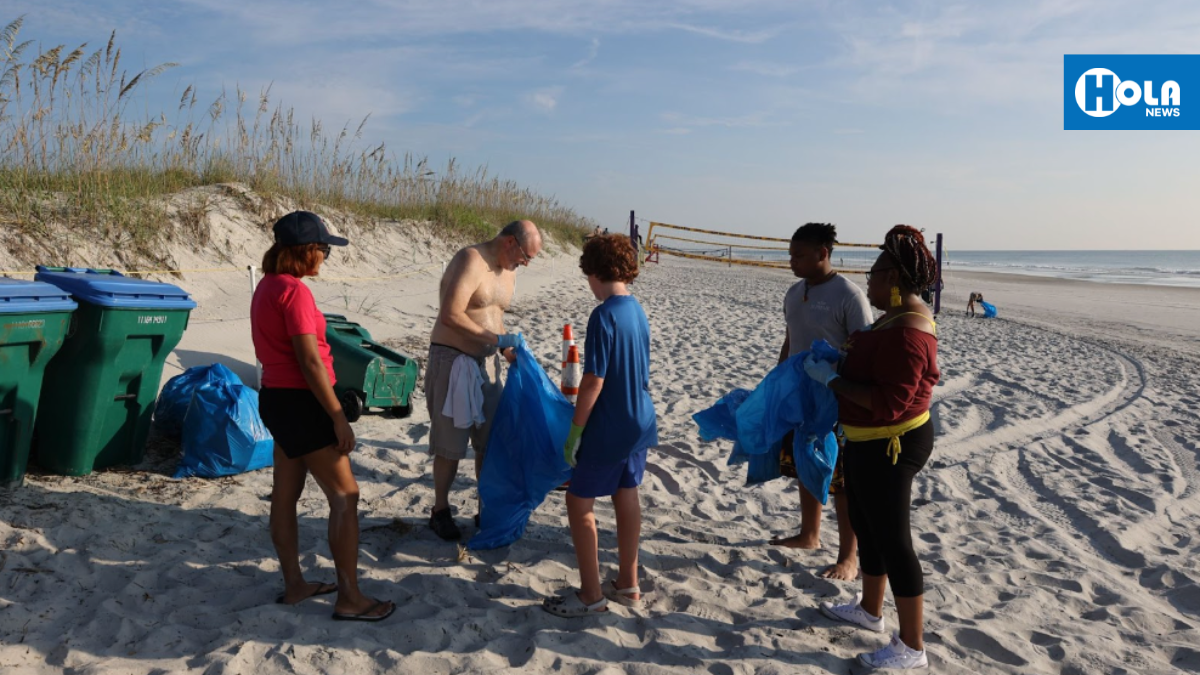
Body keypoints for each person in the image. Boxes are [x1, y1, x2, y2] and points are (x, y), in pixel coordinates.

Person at [804, 224, 940, 670]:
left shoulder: (909, 332)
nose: (869, 281)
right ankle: (869, 610)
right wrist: (842, 360)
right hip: (865, 441)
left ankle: (913, 648)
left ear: (895, 279)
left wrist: (835, 379)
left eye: (875, 273)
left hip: (891, 444)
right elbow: (875, 369)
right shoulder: (893, 319)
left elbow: (890, 401)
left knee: (895, 540)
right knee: (866, 522)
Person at [251, 211, 395, 622]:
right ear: (306, 251)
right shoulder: (294, 292)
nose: (325, 257)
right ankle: (350, 597)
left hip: (276, 398)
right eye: (324, 250)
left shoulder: (266, 286)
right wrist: (336, 415)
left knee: (285, 494)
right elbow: (310, 360)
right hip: (303, 401)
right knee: (345, 496)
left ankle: (295, 584)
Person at [542, 235, 657, 617]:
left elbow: (593, 381)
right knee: (627, 491)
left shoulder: (603, 315)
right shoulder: (636, 309)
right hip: (640, 418)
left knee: (578, 501)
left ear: (594, 273)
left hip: (611, 424)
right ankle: (628, 582)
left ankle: (591, 594)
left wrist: (575, 431)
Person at [769, 223, 873, 582]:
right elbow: (790, 339)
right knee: (805, 462)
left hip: (836, 397)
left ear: (822, 254)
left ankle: (849, 556)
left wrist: (838, 382)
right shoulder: (794, 292)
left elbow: (865, 350)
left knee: (842, 478)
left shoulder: (848, 295)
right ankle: (809, 535)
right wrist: (778, 380)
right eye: (790, 254)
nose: (791, 262)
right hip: (799, 395)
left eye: (798, 255)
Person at [426, 220, 542, 540]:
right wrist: (495, 337)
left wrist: (503, 349)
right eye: (525, 255)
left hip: (489, 362)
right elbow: (451, 313)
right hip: (452, 359)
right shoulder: (471, 260)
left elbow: (495, 314)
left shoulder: (509, 271)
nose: (526, 263)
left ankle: (486, 506)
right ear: (509, 242)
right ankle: (440, 509)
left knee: (489, 443)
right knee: (450, 445)